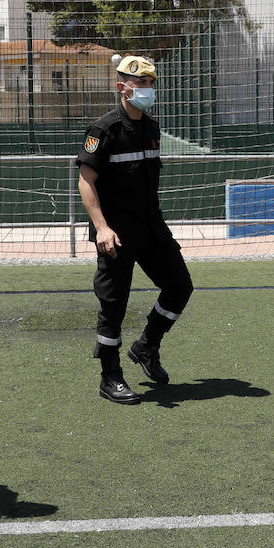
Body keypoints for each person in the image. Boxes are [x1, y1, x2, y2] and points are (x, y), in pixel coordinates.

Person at [76, 54, 194, 404]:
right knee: (113, 305)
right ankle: (110, 376)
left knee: (179, 287)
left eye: (150, 82)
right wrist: (101, 228)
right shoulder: (103, 130)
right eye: (140, 82)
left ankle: (146, 346)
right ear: (122, 87)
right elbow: (86, 180)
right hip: (115, 233)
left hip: (151, 227)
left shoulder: (151, 127)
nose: (147, 88)